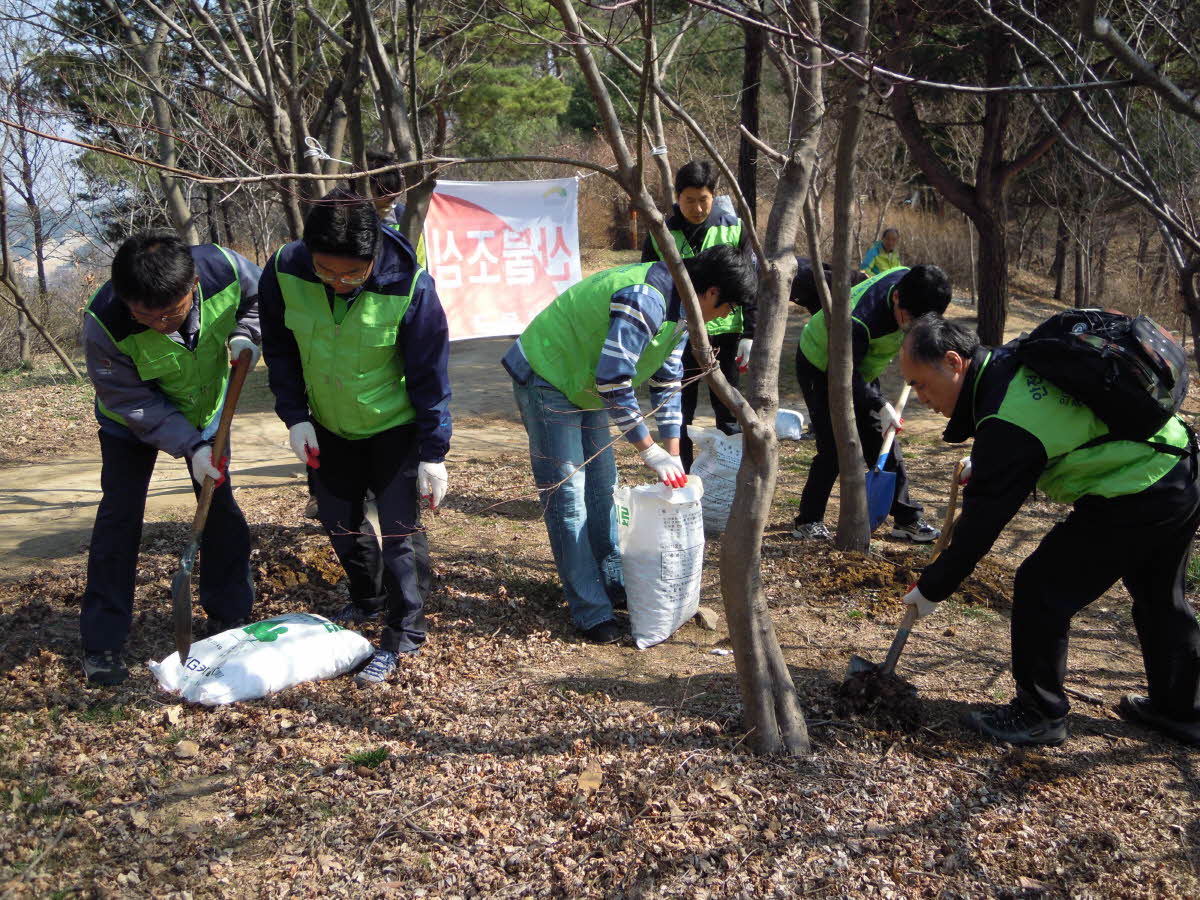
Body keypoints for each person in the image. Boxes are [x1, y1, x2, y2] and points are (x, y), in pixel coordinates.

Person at [899, 315, 1200, 747]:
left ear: (953, 362)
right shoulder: (1009, 364)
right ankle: (1182, 711)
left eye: (921, 384)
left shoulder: (1006, 415)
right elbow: (1053, 427)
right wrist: (989, 466)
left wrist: (931, 587)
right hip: (1178, 466)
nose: (921, 398)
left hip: (1138, 489)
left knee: (1042, 586)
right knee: (1160, 596)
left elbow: (981, 527)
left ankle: (1039, 713)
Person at [503, 244, 757, 643]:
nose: (725, 317)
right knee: (569, 497)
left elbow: (667, 380)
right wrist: (648, 449)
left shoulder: (682, 308)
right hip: (549, 374)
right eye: (727, 307)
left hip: (584, 384)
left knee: (603, 488)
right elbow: (615, 381)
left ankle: (611, 582)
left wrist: (672, 451)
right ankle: (590, 610)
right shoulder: (646, 299)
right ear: (710, 292)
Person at [259, 188, 451, 686]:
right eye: (327, 271)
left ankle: (402, 631)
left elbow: (431, 377)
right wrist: (294, 416)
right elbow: (279, 347)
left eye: (351, 274)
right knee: (338, 522)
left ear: (374, 255)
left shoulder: (411, 287)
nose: (338, 282)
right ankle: (367, 599)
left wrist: (433, 453)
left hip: (394, 427)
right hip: (326, 424)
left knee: (399, 535)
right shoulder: (284, 270)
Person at [80, 231, 261, 685]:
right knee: (118, 521)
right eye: (146, 316)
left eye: (172, 313)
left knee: (220, 511)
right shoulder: (105, 323)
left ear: (193, 285)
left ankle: (228, 621)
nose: (161, 324)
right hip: (130, 424)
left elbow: (265, 299)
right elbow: (129, 398)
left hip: (206, 410)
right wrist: (191, 446)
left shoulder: (225, 270)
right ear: (125, 299)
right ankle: (102, 642)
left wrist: (247, 333)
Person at [792, 263, 951, 542]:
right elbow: (843, 374)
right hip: (821, 362)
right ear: (897, 298)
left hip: (860, 367)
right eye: (910, 320)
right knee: (832, 444)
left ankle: (906, 520)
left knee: (882, 440)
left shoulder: (912, 284)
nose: (913, 328)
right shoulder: (861, 320)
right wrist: (879, 403)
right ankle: (808, 520)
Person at [642, 160, 754, 470]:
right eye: (689, 200)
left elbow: (749, 282)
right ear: (677, 197)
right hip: (678, 332)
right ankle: (682, 470)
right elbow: (646, 278)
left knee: (728, 410)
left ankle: (729, 474)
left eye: (703, 199)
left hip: (725, 331)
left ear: (714, 195)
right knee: (680, 408)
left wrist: (750, 334)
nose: (697, 207)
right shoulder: (660, 232)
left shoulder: (733, 227)